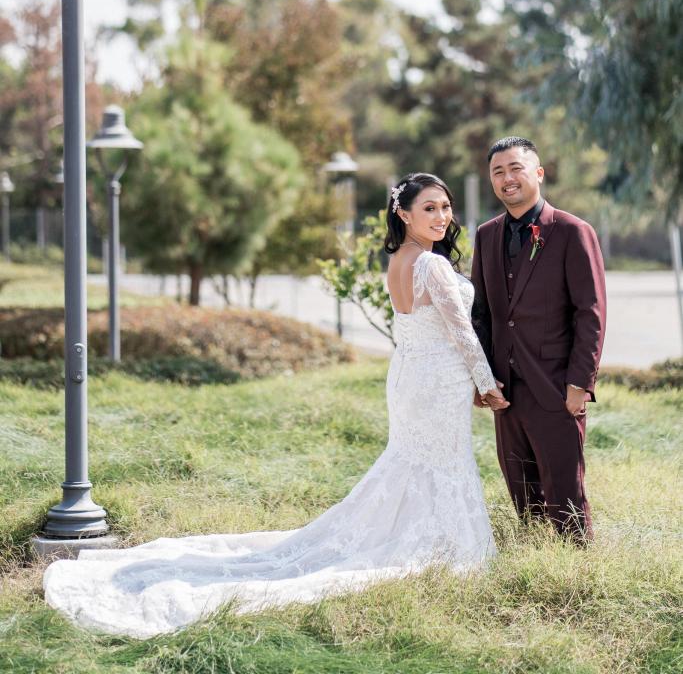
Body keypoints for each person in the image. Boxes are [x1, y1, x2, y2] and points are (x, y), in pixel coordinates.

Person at [43, 171, 507, 639]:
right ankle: (439, 543)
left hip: (410, 378)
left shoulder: (399, 260)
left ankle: (412, 533)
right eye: (429, 208)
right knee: (438, 461)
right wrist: (487, 385)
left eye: (445, 207)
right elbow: (460, 333)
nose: (442, 217)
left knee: (413, 462)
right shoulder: (431, 265)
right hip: (435, 383)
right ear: (403, 214)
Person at [470, 136, 606, 541]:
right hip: (505, 390)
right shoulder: (486, 235)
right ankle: (534, 559)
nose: (507, 178)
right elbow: (481, 315)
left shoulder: (573, 231)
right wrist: (482, 378)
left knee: (566, 497)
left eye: (516, 168)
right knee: (522, 495)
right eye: (498, 171)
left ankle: (577, 567)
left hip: (556, 386)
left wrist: (580, 383)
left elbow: (591, 314)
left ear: (539, 173)